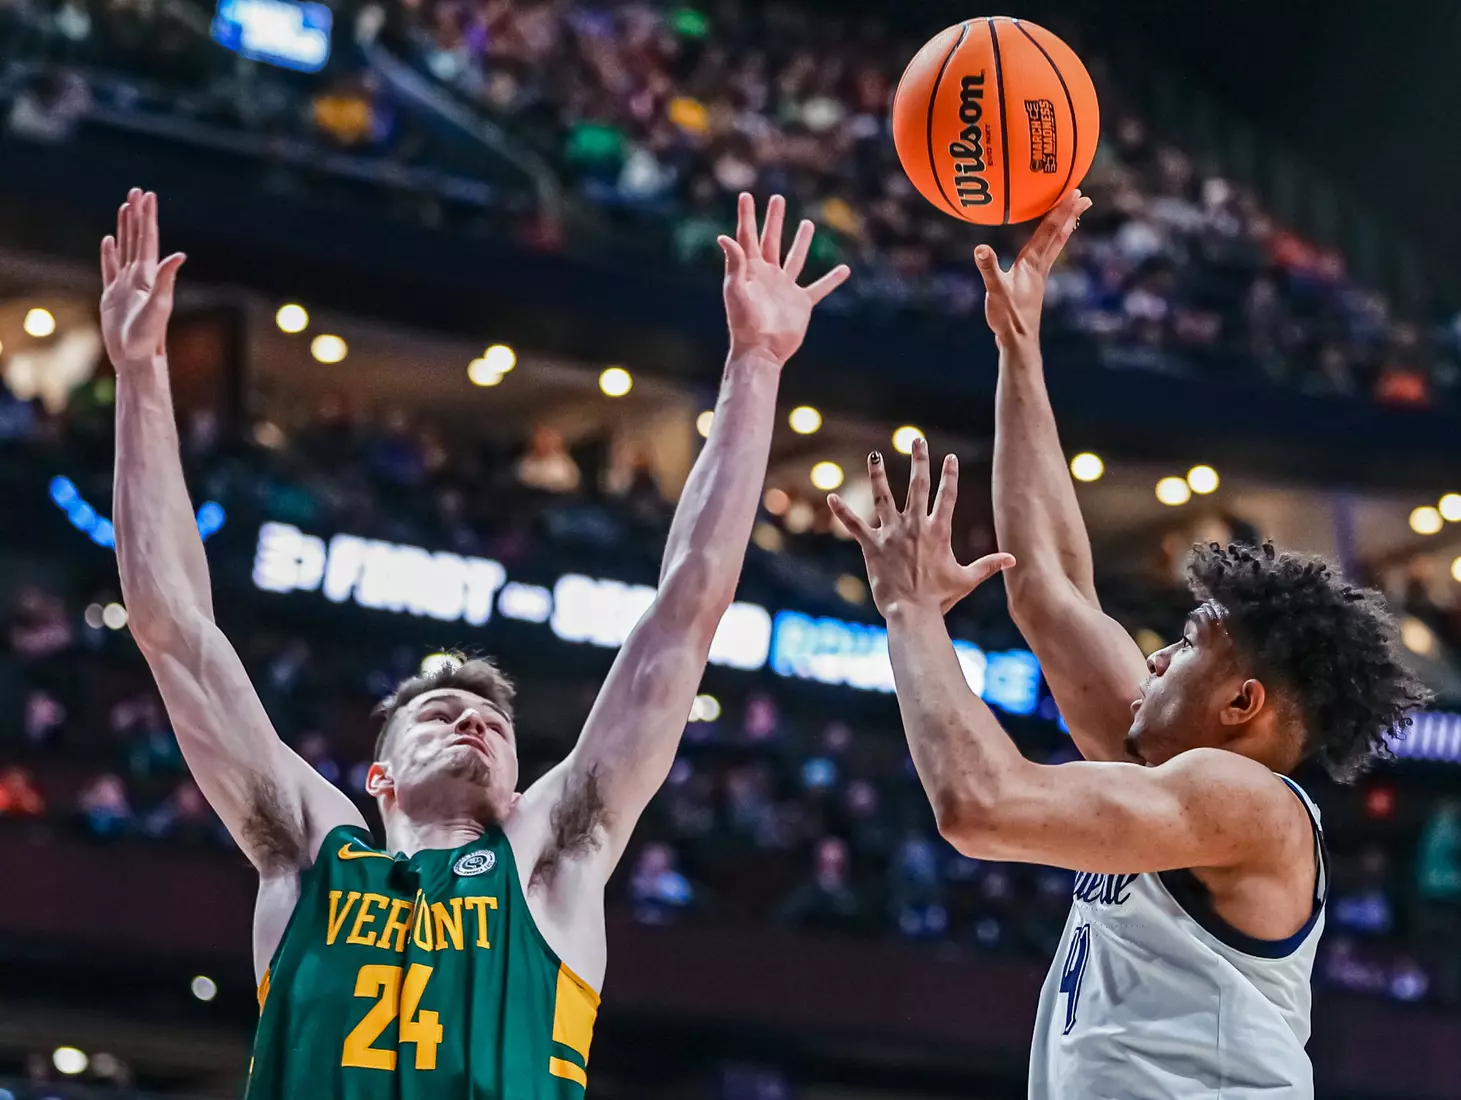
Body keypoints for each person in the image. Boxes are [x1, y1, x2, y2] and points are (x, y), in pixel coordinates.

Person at [101, 188, 848, 1098]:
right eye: (441, 711)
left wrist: (757, 363)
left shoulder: (548, 857)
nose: (474, 725)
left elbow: (684, 615)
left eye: (493, 721)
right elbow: (172, 626)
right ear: (374, 777)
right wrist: (140, 375)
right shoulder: (312, 857)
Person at [827, 190, 1430, 1099]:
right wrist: (1019, 347)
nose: (1153, 657)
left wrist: (912, 613)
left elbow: (978, 804)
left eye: (1185, 644)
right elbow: (1047, 586)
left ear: (1241, 704)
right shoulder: (1174, 777)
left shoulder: (1241, 800)